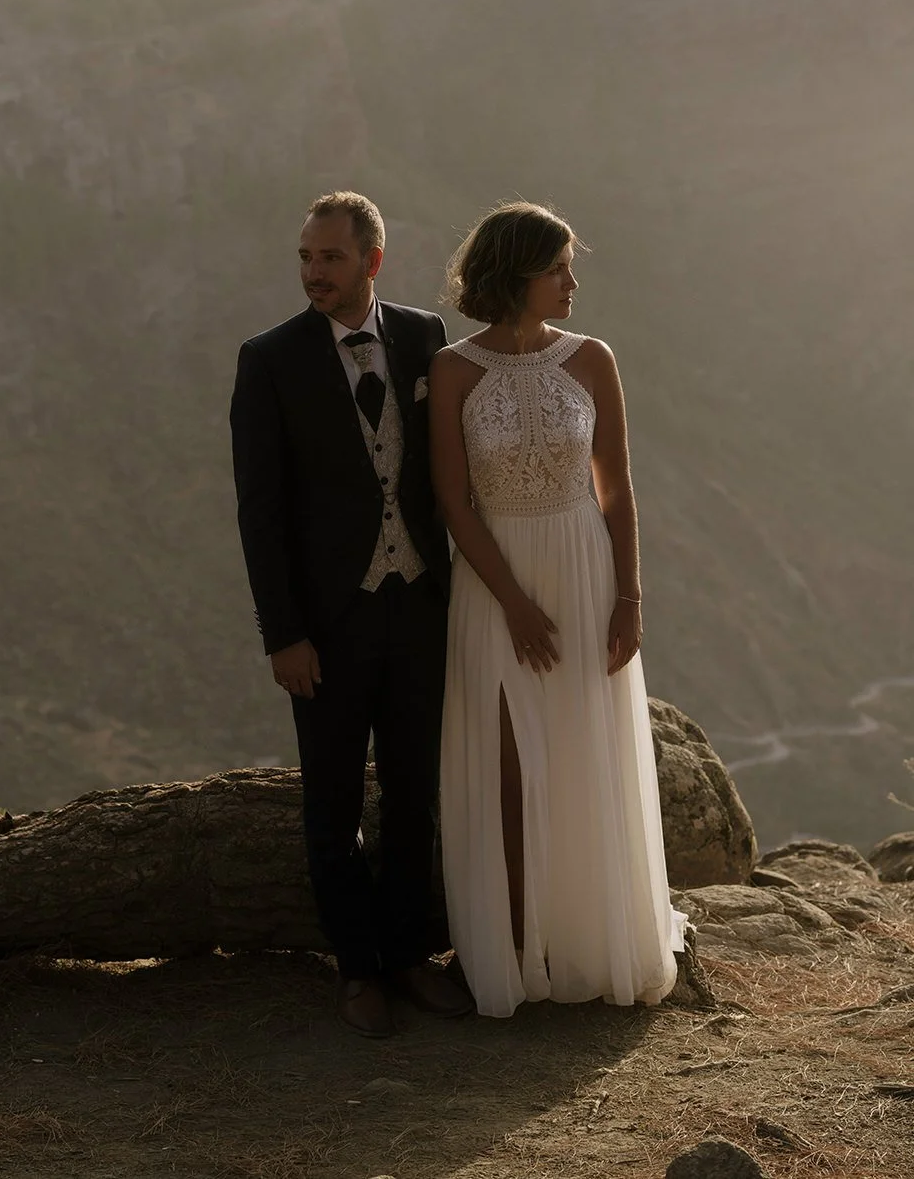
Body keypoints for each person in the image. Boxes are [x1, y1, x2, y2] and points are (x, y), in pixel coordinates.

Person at [430, 200, 686, 1019]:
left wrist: (628, 599)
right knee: (507, 767)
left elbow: (616, 489)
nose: (573, 283)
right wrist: (511, 601)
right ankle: (515, 950)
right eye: (558, 269)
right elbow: (453, 501)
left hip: (584, 572)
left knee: (583, 756)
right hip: (494, 583)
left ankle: (586, 943)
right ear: (516, 274)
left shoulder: (592, 358)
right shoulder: (453, 369)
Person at [230, 190, 473, 1037]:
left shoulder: (424, 336)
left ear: (373, 261)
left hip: (421, 611)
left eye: (329, 258)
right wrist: (284, 635)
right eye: (305, 257)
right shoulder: (268, 359)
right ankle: (358, 969)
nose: (312, 273)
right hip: (327, 628)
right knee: (331, 804)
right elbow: (260, 513)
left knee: (414, 796)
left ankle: (408, 956)